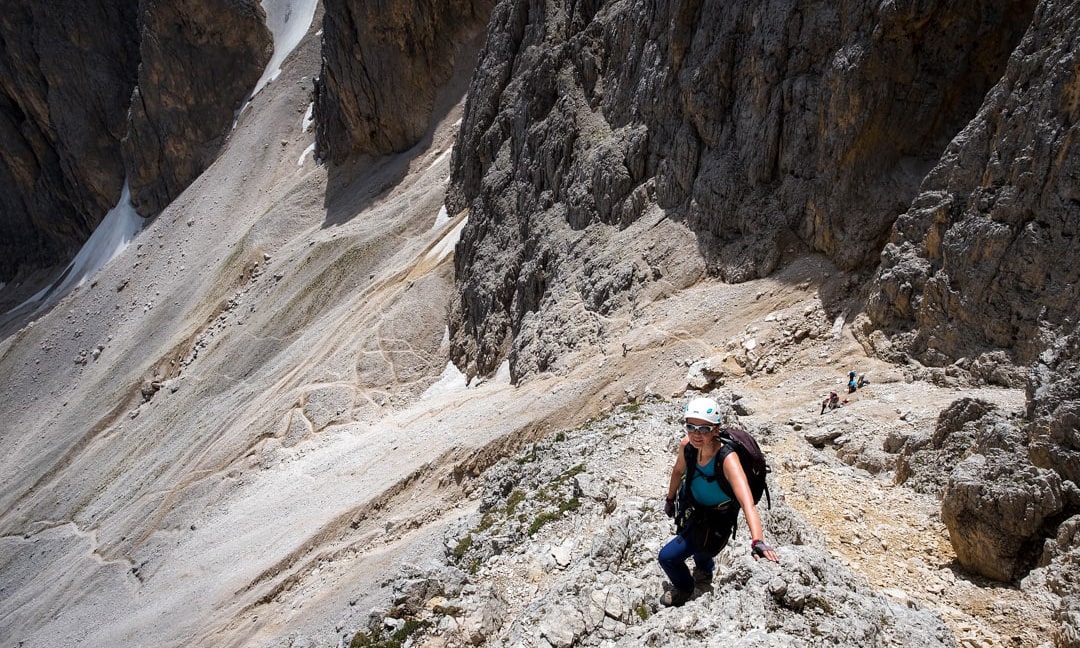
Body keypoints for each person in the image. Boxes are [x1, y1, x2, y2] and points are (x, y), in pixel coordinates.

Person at [658, 397, 780, 607]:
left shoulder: (727, 459)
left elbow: (747, 502)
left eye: (704, 429)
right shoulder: (687, 446)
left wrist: (757, 541)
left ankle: (685, 588)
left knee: (667, 557)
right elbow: (678, 470)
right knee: (700, 549)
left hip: (716, 519)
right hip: (691, 507)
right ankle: (705, 572)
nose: (696, 434)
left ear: (716, 430)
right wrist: (670, 498)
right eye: (691, 427)